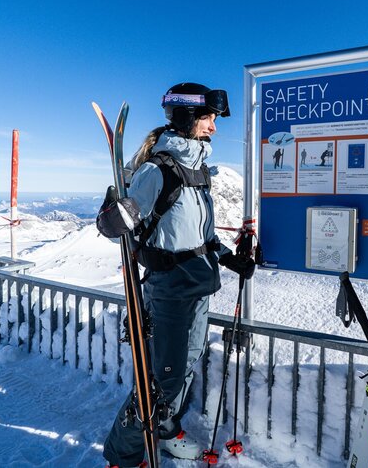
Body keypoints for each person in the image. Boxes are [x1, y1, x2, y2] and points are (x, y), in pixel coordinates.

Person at [98, 82, 257, 468]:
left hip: (198, 285)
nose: (215, 127)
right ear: (187, 117)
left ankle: (165, 430)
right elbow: (121, 225)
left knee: (186, 367)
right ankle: (123, 453)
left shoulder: (198, 170)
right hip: (169, 290)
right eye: (209, 118)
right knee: (161, 382)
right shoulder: (158, 171)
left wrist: (227, 257)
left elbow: (199, 236)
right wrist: (113, 215)